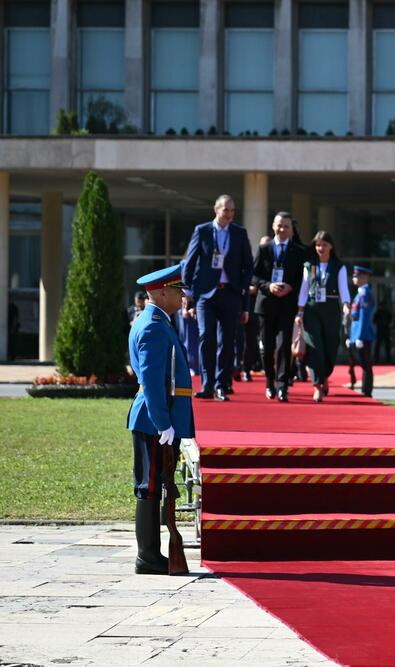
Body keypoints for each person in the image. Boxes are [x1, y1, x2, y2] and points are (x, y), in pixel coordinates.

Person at [126, 264, 194, 575]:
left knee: (154, 486)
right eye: (178, 291)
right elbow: (153, 382)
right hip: (155, 420)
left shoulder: (157, 321)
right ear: (162, 291)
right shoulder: (153, 325)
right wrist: (163, 423)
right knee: (149, 486)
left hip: (159, 418)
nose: (182, 296)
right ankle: (148, 556)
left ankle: (151, 555)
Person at [182, 194, 253, 401]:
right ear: (216, 209)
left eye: (232, 210)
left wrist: (241, 285)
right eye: (225, 210)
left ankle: (222, 384)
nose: (229, 214)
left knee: (227, 340)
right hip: (206, 294)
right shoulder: (202, 231)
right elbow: (190, 261)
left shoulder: (239, 233)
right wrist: (188, 293)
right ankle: (207, 384)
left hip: (230, 292)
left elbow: (248, 264)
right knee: (206, 337)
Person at [252, 213, 306, 402]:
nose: (282, 230)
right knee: (267, 346)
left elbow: (302, 278)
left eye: (286, 227)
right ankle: (269, 381)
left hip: (287, 304)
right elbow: (254, 276)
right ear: (273, 226)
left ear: (291, 229)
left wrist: (291, 287)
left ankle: (282, 385)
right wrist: (269, 286)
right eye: (279, 226)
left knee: (284, 346)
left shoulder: (298, 252)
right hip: (266, 304)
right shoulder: (264, 248)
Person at [296, 231, 350, 403]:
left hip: (331, 309)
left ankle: (325, 375)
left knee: (330, 347)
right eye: (318, 245)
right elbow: (304, 289)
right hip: (312, 309)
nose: (321, 248)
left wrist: (346, 304)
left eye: (324, 244)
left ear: (331, 246)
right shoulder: (309, 265)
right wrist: (300, 311)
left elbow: (343, 288)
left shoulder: (339, 266)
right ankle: (317, 386)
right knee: (315, 346)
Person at [349, 266, 376, 397]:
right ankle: (365, 389)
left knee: (366, 363)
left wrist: (359, 336)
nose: (354, 278)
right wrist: (352, 336)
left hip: (364, 335)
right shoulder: (360, 293)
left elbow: (364, 317)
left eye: (356, 276)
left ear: (364, 277)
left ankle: (367, 390)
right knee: (362, 363)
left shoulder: (365, 293)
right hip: (358, 333)